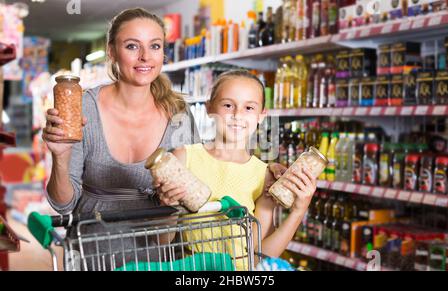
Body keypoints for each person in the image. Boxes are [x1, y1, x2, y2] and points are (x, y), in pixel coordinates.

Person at [43, 8, 284, 271]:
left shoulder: (177, 112)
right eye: (132, 46)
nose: (145, 57)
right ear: (111, 51)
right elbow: (63, 203)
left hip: (163, 255)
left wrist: (263, 174)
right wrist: (60, 157)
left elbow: (201, 182)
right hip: (97, 251)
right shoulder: (84, 108)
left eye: (154, 46)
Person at [156, 70, 317, 270]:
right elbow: (162, 242)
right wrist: (167, 209)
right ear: (209, 108)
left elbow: (260, 257)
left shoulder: (264, 175)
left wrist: (298, 211)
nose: (237, 114)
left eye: (249, 107)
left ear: (261, 116)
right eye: (228, 105)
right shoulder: (184, 158)